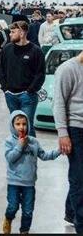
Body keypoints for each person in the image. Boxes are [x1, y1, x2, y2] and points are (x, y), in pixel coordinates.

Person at [2, 110, 61, 234]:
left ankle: (24, 231)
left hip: (29, 184)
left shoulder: (34, 142)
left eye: (24, 124)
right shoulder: (9, 142)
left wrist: (59, 151)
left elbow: (44, 155)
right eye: (18, 124)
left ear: (28, 124)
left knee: (28, 211)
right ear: (12, 125)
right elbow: (10, 158)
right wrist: (19, 146)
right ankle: (8, 218)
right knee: (13, 207)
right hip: (14, 182)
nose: (21, 127)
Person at [0, 21, 45, 137]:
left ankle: (31, 153)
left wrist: (30, 90)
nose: (10, 34)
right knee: (16, 127)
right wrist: (5, 88)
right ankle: (18, 153)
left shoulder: (36, 51)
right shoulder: (7, 50)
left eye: (13, 32)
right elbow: (0, 69)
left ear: (22, 33)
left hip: (27, 97)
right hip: (10, 95)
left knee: (27, 127)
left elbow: (40, 74)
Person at [53, 52, 83, 232]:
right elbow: (58, 103)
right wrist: (63, 133)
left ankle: (71, 212)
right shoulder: (68, 69)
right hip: (76, 129)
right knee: (79, 177)